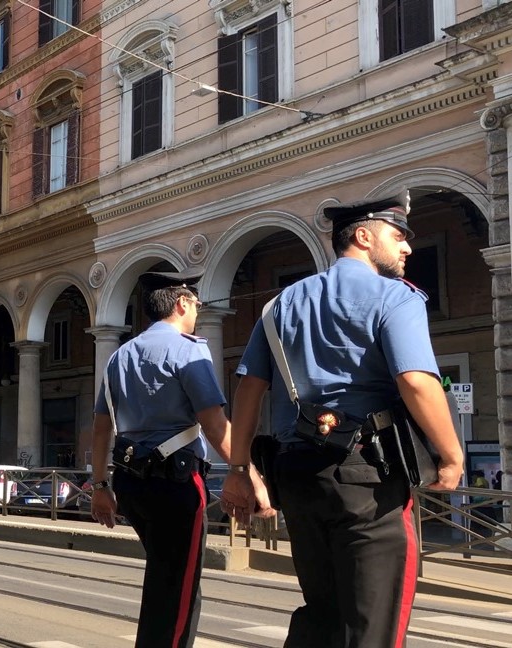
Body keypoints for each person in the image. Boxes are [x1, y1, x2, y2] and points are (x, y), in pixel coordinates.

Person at [226, 192, 464, 647]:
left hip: (297, 476)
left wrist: (239, 469)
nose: (407, 247)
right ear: (363, 237)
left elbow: (249, 390)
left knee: (323, 616)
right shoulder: (396, 297)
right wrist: (451, 456)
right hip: (368, 478)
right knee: (372, 626)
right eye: (397, 236)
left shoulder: (279, 306)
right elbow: (416, 381)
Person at [89, 271, 271, 648]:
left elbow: (101, 427)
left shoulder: (119, 356)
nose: (198, 311)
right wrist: (248, 474)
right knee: (178, 591)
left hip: (130, 484)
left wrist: (101, 486)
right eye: (196, 304)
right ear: (181, 303)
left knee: (165, 579)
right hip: (176, 485)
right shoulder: (189, 350)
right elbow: (215, 425)